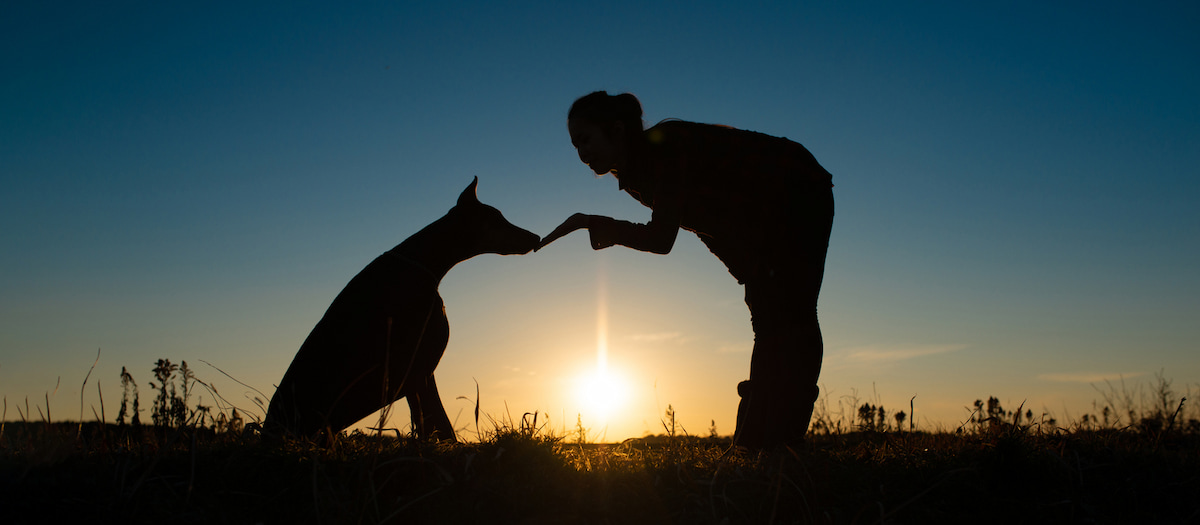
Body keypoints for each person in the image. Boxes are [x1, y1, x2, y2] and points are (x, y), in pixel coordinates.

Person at [537, 91, 835, 450]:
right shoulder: (634, 175)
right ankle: (759, 439)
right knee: (770, 314)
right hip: (764, 211)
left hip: (796, 187)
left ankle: (772, 438)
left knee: (792, 316)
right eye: (575, 146)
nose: (581, 154)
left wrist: (596, 223)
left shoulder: (663, 149)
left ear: (616, 130)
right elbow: (702, 221)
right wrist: (748, 274)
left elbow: (664, 237)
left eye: (585, 140)